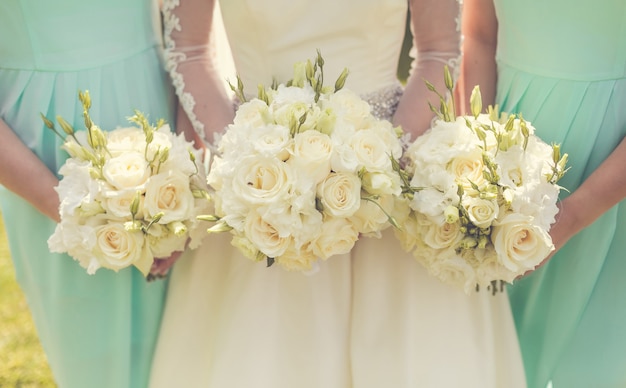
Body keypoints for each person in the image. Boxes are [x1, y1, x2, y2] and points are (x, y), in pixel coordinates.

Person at [149, 1, 527, 387]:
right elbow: (190, 50)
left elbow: (438, 51)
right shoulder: (253, 173)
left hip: (395, 179)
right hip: (260, 197)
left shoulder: (389, 167)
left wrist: (382, 171)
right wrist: (248, 166)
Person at [0, 0, 175, 386]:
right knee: (95, 359)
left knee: (182, 346)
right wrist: (75, 211)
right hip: (48, 151)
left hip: (156, 111)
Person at [461, 1, 626, 387]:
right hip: (511, 153)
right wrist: (479, 164)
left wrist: (573, 215)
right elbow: (479, 36)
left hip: (613, 177)